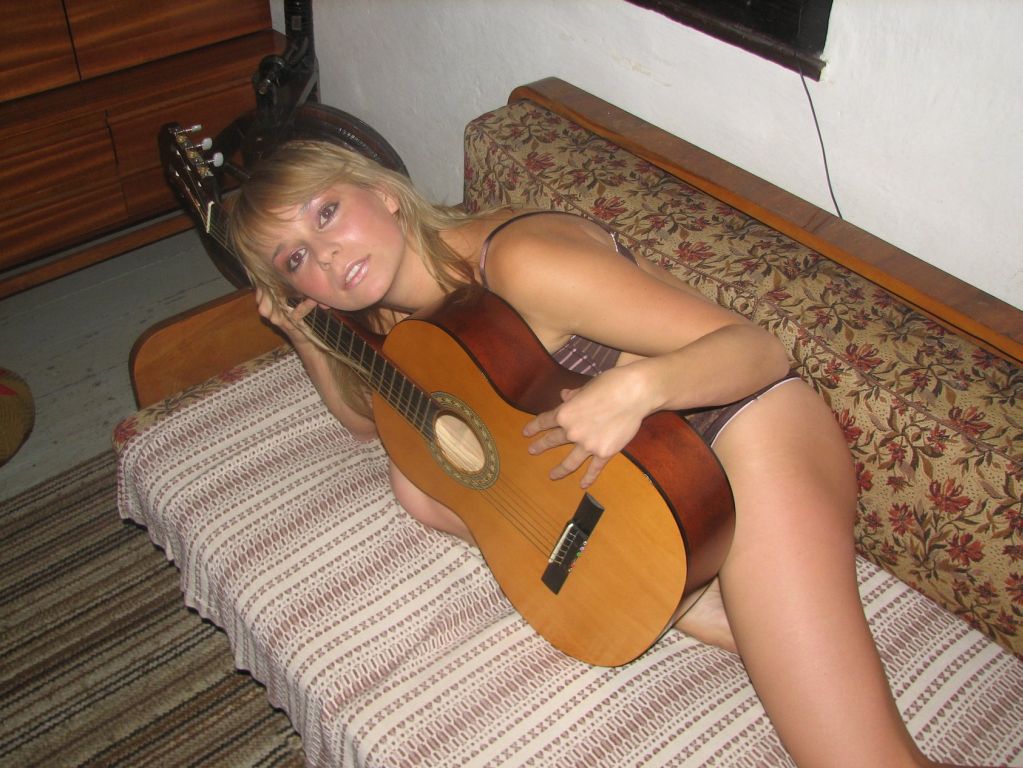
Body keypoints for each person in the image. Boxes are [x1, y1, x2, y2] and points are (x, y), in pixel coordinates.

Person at [226, 139, 977, 768]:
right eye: (295, 259)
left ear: (385, 194)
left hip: (739, 431)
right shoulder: (394, 314)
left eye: (326, 213)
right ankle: (677, 591)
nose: (325, 254)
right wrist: (304, 336)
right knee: (418, 477)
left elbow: (760, 351)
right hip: (653, 486)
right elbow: (369, 420)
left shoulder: (519, 263)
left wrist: (637, 389)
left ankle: (700, 598)